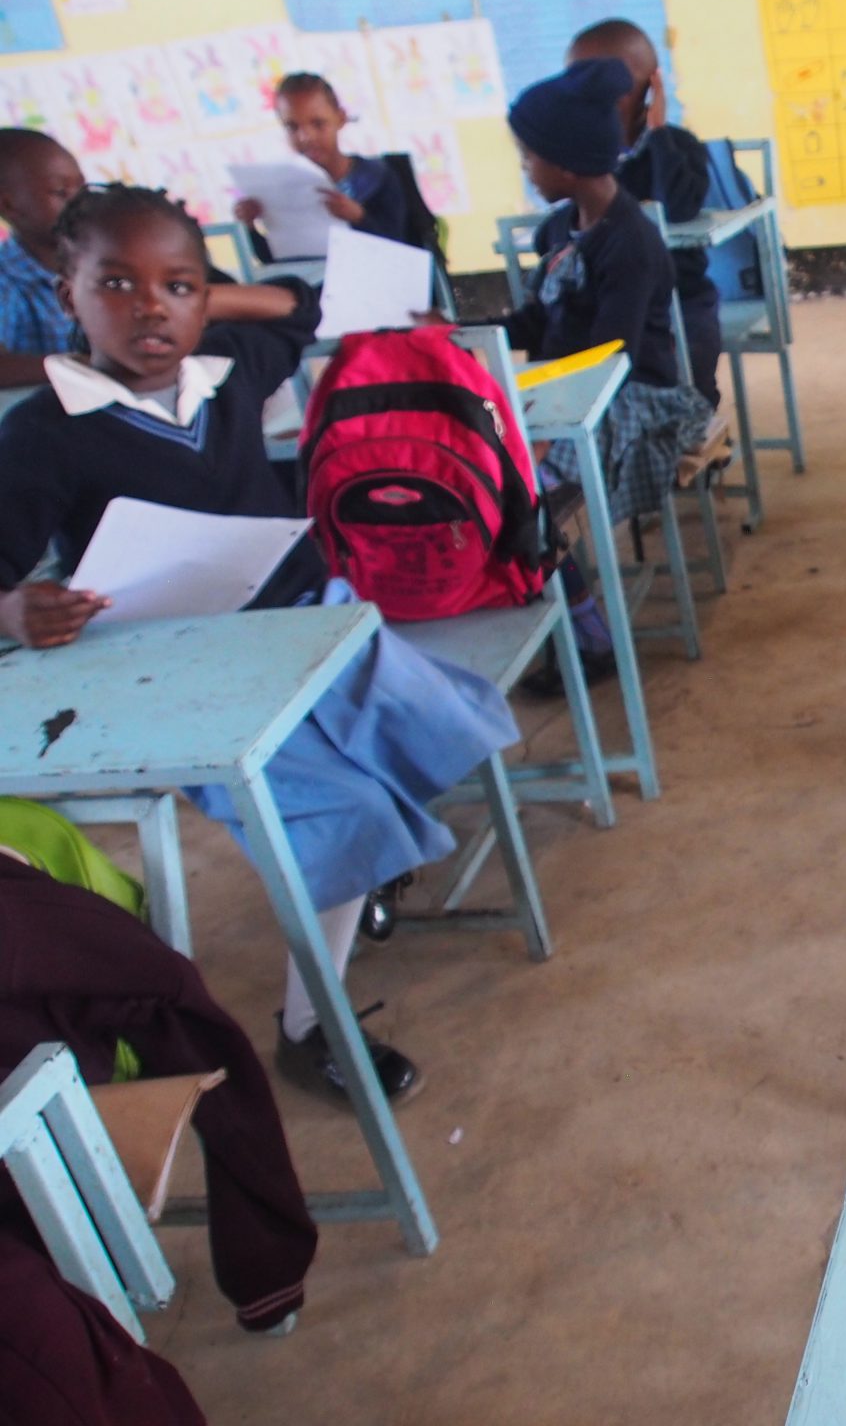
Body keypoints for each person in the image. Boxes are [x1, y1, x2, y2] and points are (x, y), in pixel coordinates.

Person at [0, 183, 519, 1103]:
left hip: (302, 623)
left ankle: (365, 881)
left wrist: (205, 297)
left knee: (447, 719)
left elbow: (302, 300)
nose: (151, 308)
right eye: (115, 285)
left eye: (178, 286)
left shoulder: (230, 365)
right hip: (177, 679)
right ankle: (306, 1025)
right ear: (63, 292)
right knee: (346, 810)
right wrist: (16, 611)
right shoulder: (42, 433)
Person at [566, 19, 724, 406]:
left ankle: (697, 431)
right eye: (580, 81)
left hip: (680, 300)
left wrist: (658, 135)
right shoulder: (576, 157)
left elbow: (681, 208)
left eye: (612, 81)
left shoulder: (679, 146)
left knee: (686, 368)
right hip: (609, 298)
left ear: (651, 86)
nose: (596, 95)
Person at [233, 73, 410, 255]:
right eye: (292, 127)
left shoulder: (377, 178)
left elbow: (400, 248)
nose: (305, 137)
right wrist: (250, 227)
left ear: (340, 118)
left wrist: (359, 218)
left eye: (318, 124)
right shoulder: (282, 189)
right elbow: (278, 259)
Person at [0, 127, 85, 385]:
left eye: (83, 188)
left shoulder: (105, 258)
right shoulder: (7, 282)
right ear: (8, 206)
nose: (81, 202)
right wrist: (87, 367)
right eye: (61, 192)